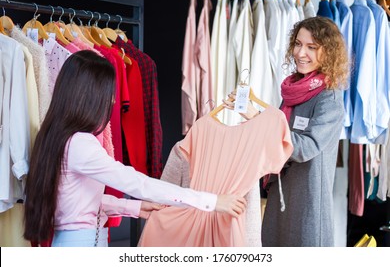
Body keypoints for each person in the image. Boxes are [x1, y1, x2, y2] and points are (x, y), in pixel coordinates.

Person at [23, 50, 247, 247]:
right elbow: (137, 182)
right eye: (109, 93)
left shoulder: (56, 136)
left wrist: (134, 208)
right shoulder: (81, 143)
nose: (112, 101)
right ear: (90, 96)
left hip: (73, 241)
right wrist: (212, 201)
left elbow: (79, 202)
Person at [224, 16, 349, 246]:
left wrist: (259, 118)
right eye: (298, 44)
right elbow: (279, 135)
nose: (301, 53)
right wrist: (253, 115)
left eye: (312, 47)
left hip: (307, 206)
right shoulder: (292, 92)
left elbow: (305, 148)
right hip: (280, 198)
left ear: (329, 53)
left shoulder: (329, 98)